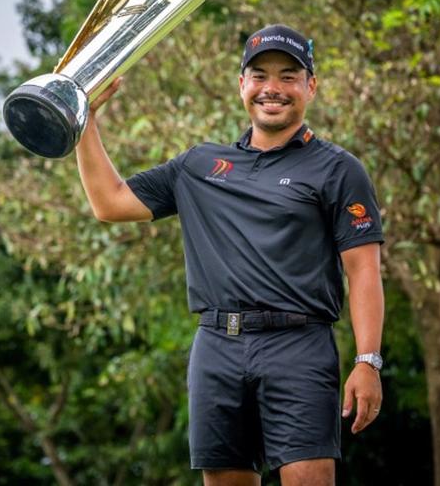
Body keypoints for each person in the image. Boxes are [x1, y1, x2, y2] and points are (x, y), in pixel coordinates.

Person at [75, 24, 385, 486]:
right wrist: (85, 124)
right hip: (216, 346)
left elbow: (363, 272)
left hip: (299, 346)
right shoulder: (199, 165)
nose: (272, 89)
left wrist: (368, 361)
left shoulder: (338, 169)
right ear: (242, 84)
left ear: (310, 86)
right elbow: (110, 203)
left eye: (288, 76)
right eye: (259, 75)